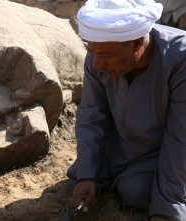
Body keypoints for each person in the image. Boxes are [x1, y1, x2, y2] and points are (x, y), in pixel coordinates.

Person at [66, 0, 186, 220]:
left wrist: (167, 209)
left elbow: (180, 139)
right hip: (120, 148)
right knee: (81, 177)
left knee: (137, 191)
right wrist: (87, 175)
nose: (96, 65)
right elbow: (91, 117)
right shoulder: (98, 53)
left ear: (137, 43)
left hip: (163, 152)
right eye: (93, 53)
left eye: (105, 56)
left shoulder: (180, 59)